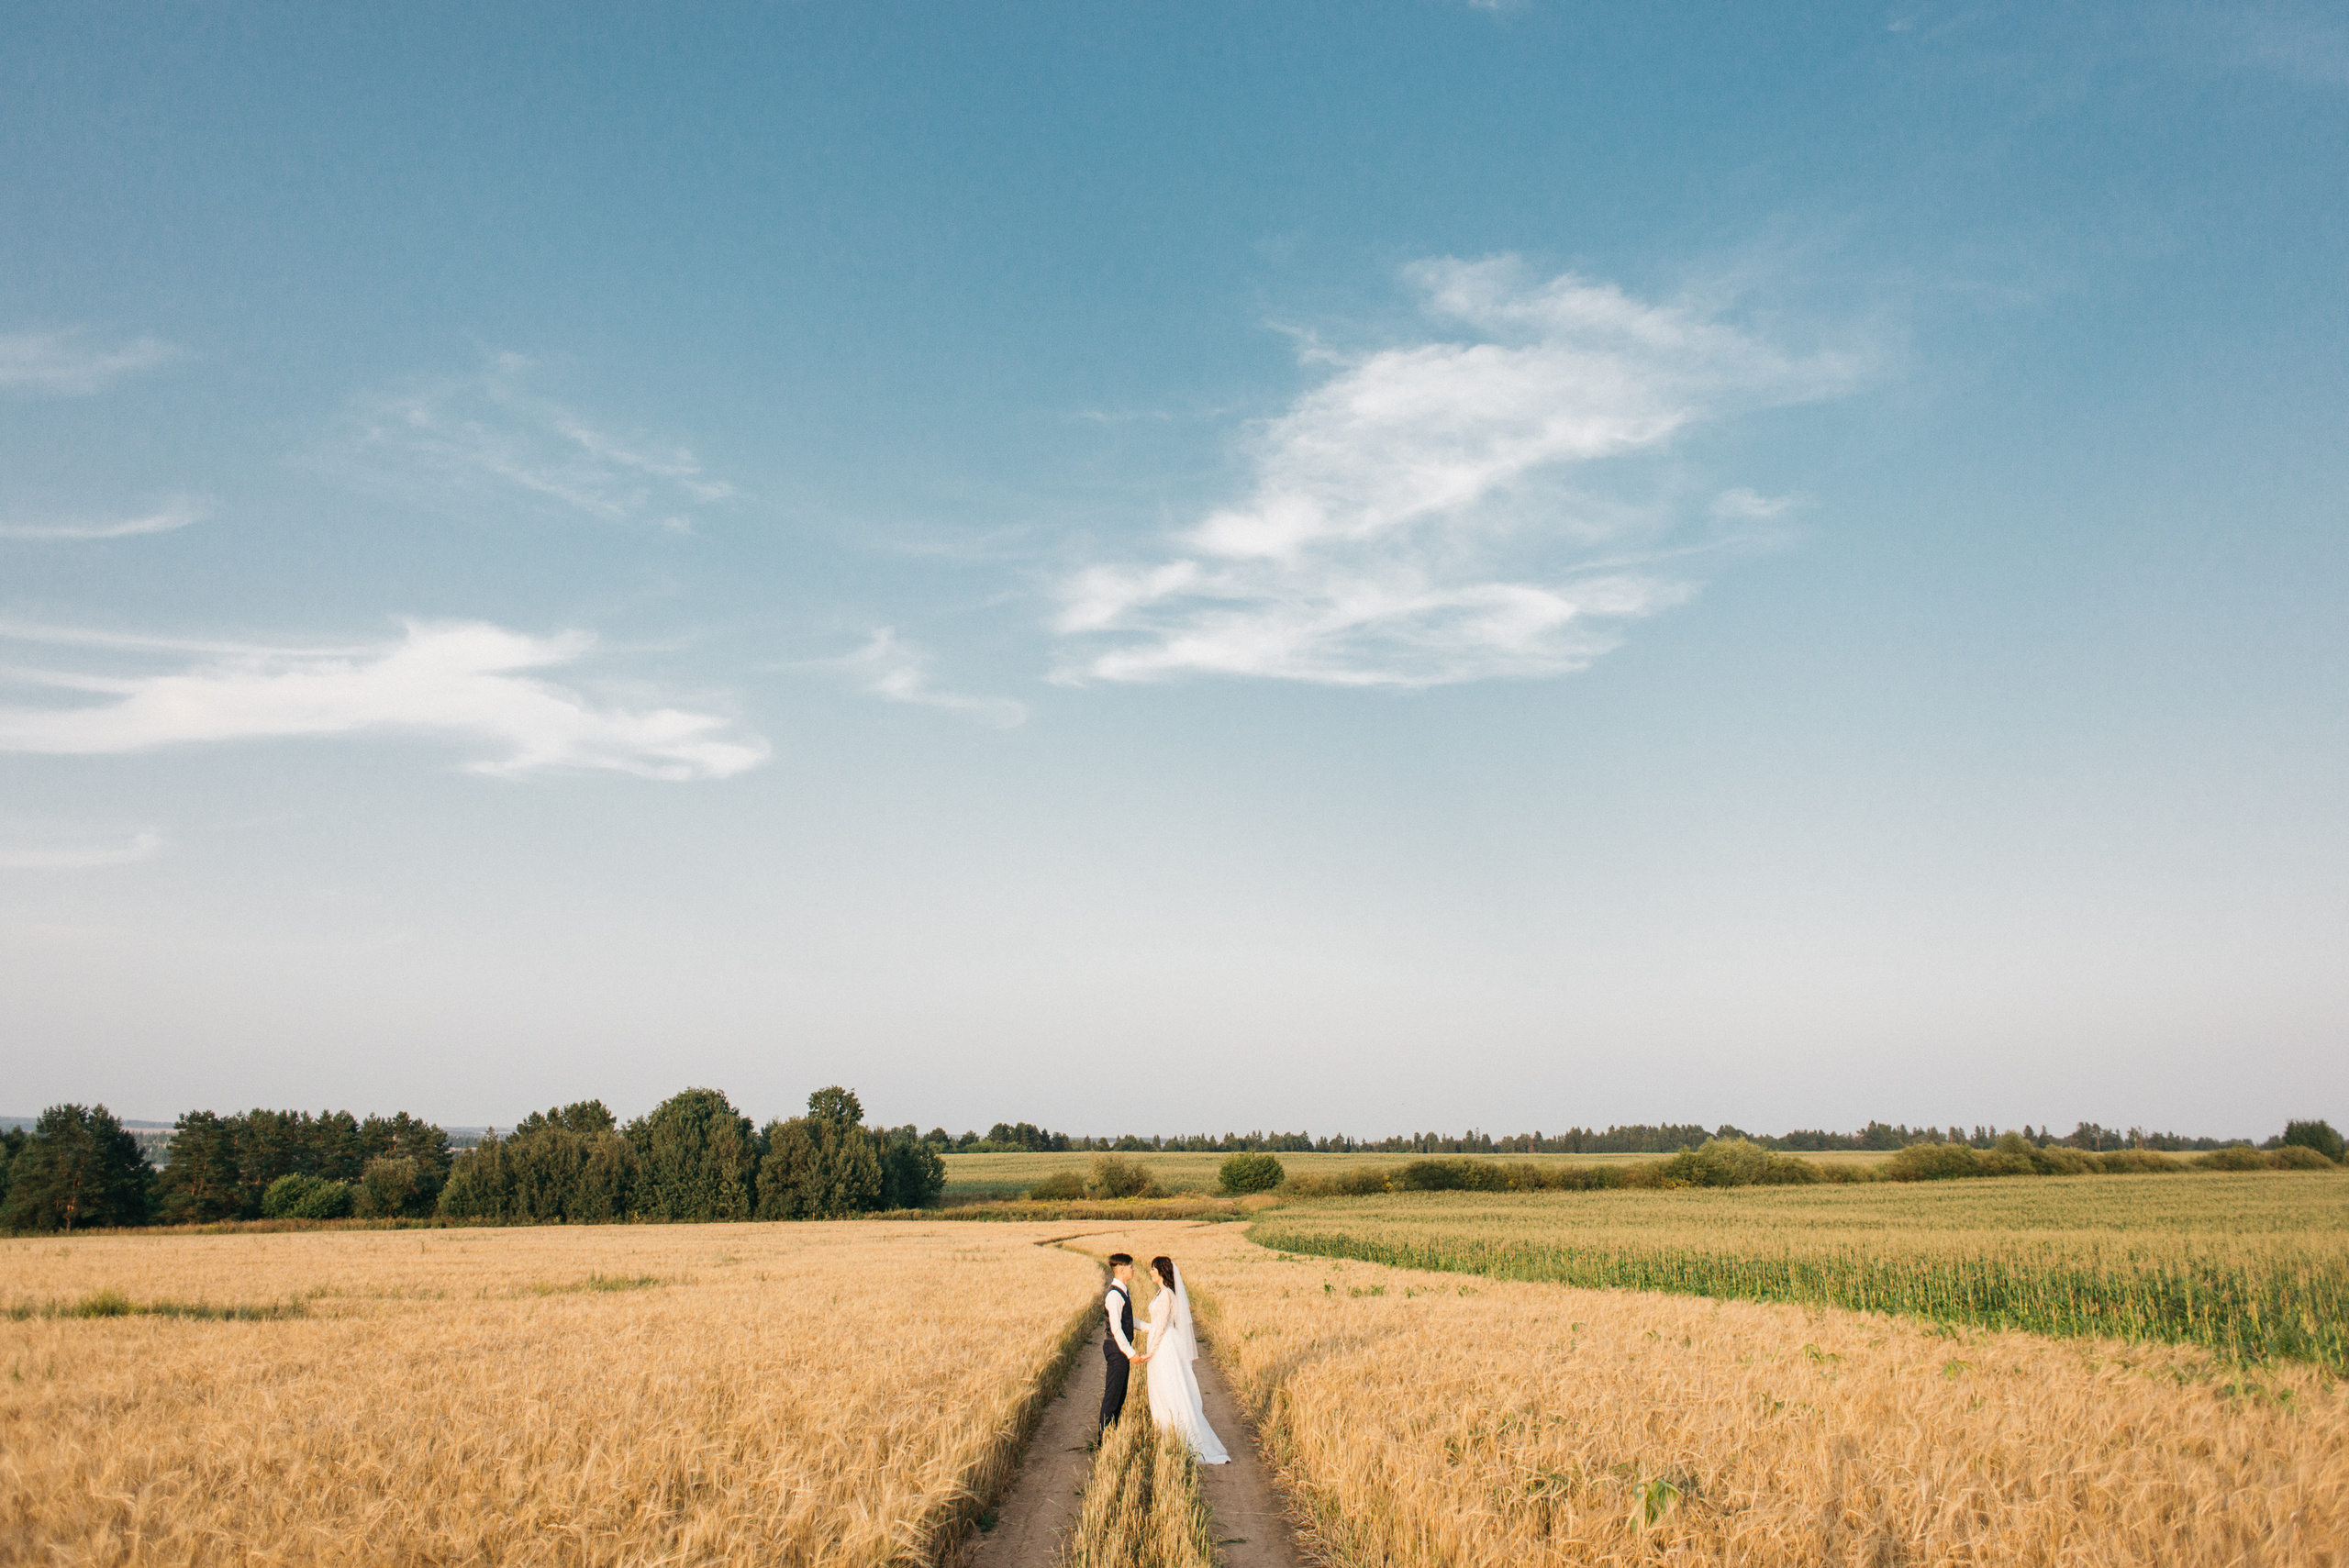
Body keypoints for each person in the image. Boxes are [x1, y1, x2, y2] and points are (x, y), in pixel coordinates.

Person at [1140, 1254, 1229, 1463]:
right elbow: (1156, 1325)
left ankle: (1179, 1437)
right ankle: (1168, 1435)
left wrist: (1150, 1353)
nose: (1150, 1272)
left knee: (1169, 1389)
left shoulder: (1166, 1295)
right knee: (1164, 1389)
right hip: (1163, 1343)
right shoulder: (1163, 1294)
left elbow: (1161, 1327)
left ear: (1162, 1271)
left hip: (1164, 1347)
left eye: (1153, 1269)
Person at [1097, 1253, 1140, 1434]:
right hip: (1116, 1349)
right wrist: (1131, 1353)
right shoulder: (1114, 1295)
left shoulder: (1122, 1291)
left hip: (1119, 1349)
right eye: (1131, 1267)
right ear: (1122, 1270)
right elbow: (1116, 1329)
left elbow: (1128, 1320)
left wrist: (1152, 1328)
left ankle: (1110, 1434)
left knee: (1120, 1395)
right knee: (1113, 1396)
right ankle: (1103, 1440)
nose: (1133, 1270)